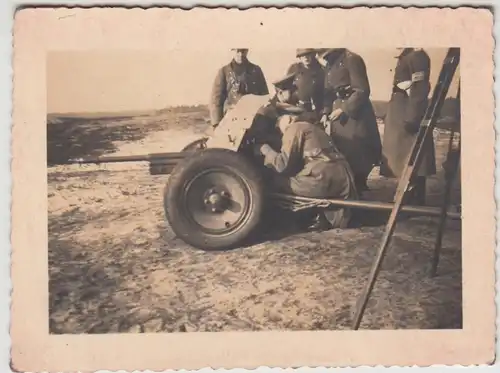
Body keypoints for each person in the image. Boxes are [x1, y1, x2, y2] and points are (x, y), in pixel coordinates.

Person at [254, 113, 359, 231]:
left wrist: (264, 149)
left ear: (287, 121)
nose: (281, 135)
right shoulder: (312, 127)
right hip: (342, 176)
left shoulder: (294, 128)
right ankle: (319, 215)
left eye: (279, 129)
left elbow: (282, 165)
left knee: (276, 182)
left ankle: (301, 217)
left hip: (324, 177)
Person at [317, 48, 382, 194]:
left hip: (356, 113)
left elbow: (362, 90)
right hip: (337, 112)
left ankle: (359, 189)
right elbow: (327, 93)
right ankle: (349, 190)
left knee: (358, 152)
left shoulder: (352, 59)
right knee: (343, 150)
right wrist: (326, 112)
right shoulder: (330, 63)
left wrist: (344, 109)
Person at [380, 48, 436, 206]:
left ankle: (413, 196)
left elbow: (419, 89)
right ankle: (408, 193)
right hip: (401, 111)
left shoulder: (417, 56)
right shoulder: (408, 56)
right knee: (403, 156)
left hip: (407, 113)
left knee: (412, 155)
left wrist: (413, 117)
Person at [209, 49, 269, 128]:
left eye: (243, 51)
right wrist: (216, 123)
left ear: (247, 51)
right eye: (238, 51)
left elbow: (264, 96)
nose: (240, 54)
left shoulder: (256, 70)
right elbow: (216, 100)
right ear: (232, 51)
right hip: (232, 119)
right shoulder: (224, 72)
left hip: (254, 118)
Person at [285, 48, 325, 122]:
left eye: (308, 55)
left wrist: (325, 113)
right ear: (299, 57)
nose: (306, 58)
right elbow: (284, 87)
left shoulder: (321, 70)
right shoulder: (294, 69)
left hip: (316, 111)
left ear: (313, 55)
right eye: (302, 56)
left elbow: (327, 92)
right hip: (297, 109)